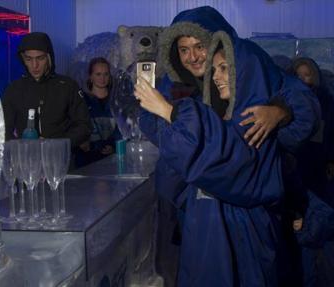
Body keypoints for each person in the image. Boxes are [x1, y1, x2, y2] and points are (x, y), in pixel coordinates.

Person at [134, 6, 319, 286]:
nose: (192, 57)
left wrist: (280, 110)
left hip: (245, 216)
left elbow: (302, 104)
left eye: (199, 46)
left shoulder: (249, 71)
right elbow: (156, 126)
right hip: (202, 214)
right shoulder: (178, 86)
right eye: (183, 50)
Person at [284, 57, 334, 287]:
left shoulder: (331, 106)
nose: (304, 80)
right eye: (298, 75)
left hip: (317, 183)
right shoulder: (284, 103)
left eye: (308, 75)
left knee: (311, 237)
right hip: (291, 179)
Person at [2, 32, 91, 147]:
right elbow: (3, 130)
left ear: (49, 58)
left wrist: (56, 145)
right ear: (23, 60)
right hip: (26, 161)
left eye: (40, 58)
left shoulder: (67, 86)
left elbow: (84, 126)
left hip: (61, 161)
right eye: (29, 59)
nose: (35, 65)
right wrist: (20, 147)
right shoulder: (14, 90)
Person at [75, 57, 121, 167]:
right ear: (91, 76)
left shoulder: (117, 100)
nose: (102, 78)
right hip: (87, 161)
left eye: (106, 74)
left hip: (112, 162)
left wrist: (113, 145)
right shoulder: (81, 100)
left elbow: (122, 128)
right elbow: (75, 126)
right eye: (98, 74)